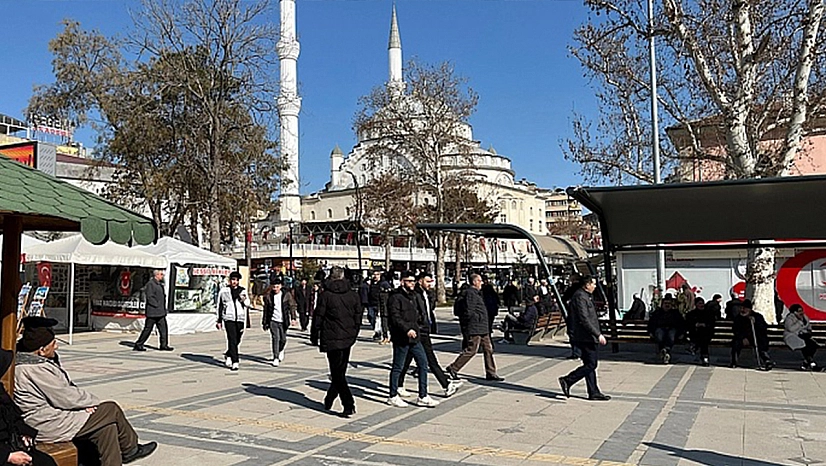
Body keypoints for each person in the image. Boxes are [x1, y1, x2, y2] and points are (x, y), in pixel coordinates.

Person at [14, 317, 157, 466]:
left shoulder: (34, 362)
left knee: (107, 428)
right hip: (47, 423)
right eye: (53, 344)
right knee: (110, 409)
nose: (56, 347)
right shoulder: (34, 369)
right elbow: (66, 397)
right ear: (42, 350)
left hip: (54, 415)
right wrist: (92, 404)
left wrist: (84, 406)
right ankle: (130, 450)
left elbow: (65, 393)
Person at [398, 272, 461, 398]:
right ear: (420, 281)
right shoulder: (415, 294)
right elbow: (414, 312)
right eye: (427, 281)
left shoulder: (425, 294)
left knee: (407, 359)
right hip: (419, 330)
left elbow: (428, 310)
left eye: (431, 282)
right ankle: (446, 384)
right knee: (430, 359)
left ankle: (398, 384)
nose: (430, 284)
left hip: (424, 328)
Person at [386, 271, 440, 408]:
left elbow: (419, 314)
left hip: (416, 337)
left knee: (423, 364)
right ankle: (393, 395)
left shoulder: (414, 296)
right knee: (398, 366)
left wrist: (421, 326)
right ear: (402, 282)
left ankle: (423, 396)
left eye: (413, 281)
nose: (412, 283)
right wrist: (406, 329)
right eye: (409, 281)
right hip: (402, 338)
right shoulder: (395, 297)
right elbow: (395, 318)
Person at [315, 267, 362, 417]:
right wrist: (355, 331)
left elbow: (318, 316)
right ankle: (329, 398)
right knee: (339, 371)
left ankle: (348, 404)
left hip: (331, 336)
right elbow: (358, 315)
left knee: (337, 373)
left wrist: (314, 334)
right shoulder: (353, 295)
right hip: (348, 337)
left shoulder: (326, 295)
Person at [0, 349, 57, 466]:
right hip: (5, 454)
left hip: (12, 444)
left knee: (45, 461)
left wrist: (25, 434)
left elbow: (14, 416)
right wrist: (8, 456)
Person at [558, 276, 610, 401]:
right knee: (592, 364)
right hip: (585, 337)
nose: (595, 286)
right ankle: (568, 379)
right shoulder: (580, 297)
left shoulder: (585, 296)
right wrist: (597, 334)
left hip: (587, 336)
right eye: (593, 284)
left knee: (589, 364)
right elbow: (584, 319)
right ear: (586, 285)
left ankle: (593, 392)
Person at [446, 274, 504, 383]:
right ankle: (453, 368)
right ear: (475, 282)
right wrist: (471, 324)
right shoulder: (471, 293)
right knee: (472, 350)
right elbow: (469, 311)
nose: (482, 283)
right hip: (476, 327)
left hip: (483, 327)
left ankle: (491, 372)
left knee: (488, 349)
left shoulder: (476, 293)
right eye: (480, 281)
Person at [216, 271, 250, 371]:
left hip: (240, 318)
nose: (234, 282)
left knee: (238, 339)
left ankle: (228, 354)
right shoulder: (224, 291)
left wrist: (243, 299)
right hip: (229, 318)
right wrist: (219, 320)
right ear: (229, 280)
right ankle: (235, 361)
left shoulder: (242, 290)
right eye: (233, 280)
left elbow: (248, 303)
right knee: (232, 339)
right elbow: (220, 305)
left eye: (236, 280)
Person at [133, 269, 173, 352]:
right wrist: (157, 305)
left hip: (160, 312)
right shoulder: (151, 284)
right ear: (156, 275)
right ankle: (139, 344)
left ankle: (164, 345)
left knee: (163, 329)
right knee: (148, 329)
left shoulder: (160, 284)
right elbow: (150, 297)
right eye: (161, 274)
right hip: (153, 311)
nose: (162, 276)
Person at [262, 277, 298, 367]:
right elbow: (266, 310)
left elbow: (292, 306)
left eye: (277, 287)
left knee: (283, 339)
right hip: (273, 320)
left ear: (281, 286)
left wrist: (293, 318)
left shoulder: (286, 295)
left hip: (283, 320)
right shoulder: (269, 296)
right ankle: (276, 357)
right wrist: (265, 322)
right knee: (275, 338)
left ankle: (280, 349)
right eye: (274, 287)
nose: (275, 289)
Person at [731, 299, 774, 370]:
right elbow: (735, 330)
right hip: (743, 338)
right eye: (742, 308)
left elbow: (763, 328)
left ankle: (766, 361)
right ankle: (734, 361)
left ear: (750, 309)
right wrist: (743, 337)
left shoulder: (757, 316)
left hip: (756, 337)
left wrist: (756, 322)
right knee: (736, 343)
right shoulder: (738, 318)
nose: (743, 310)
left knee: (761, 345)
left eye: (745, 308)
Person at [647, 294, 684, 364]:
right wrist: (650, 332)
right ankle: (665, 351)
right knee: (659, 334)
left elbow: (681, 324)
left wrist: (681, 333)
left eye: (669, 304)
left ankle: (665, 350)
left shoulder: (675, 313)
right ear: (662, 304)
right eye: (665, 303)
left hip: (672, 329)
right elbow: (651, 324)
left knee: (671, 335)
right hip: (660, 328)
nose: (667, 305)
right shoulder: (657, 313)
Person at [784, 304, 820, 371]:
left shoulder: (805, 317)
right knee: (806, 346)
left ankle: (806, 363)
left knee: (813, 345)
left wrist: (808, 331)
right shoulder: (790, 318)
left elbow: (808, 326)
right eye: (799, 311)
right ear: (795, 312)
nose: (801, 312)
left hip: (803, 336)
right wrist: (799, 323)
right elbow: (790, 329)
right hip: (792, 336)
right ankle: (812, 363)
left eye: (802, 310)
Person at [685, 297, 716, 366]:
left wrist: (705, 325)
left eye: (702, 303)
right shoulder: (691, 314)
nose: (702, 305)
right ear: (696, 305)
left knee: (703, 338)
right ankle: (705, 357)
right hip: (695, 334)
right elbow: (688, 324)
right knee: (702, 340)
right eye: (699, 303)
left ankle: (696, 349)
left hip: (706, 333)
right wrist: (696, 325)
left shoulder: (708, 313)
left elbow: (712, 323)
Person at [309, 282, 322, 346]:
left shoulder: (321, 294)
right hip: (314, 310)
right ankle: (314, 339)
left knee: (319, 326)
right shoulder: (312, 293)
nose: (314, 288)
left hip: (319, 311)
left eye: (316, 286)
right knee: (314, 326)